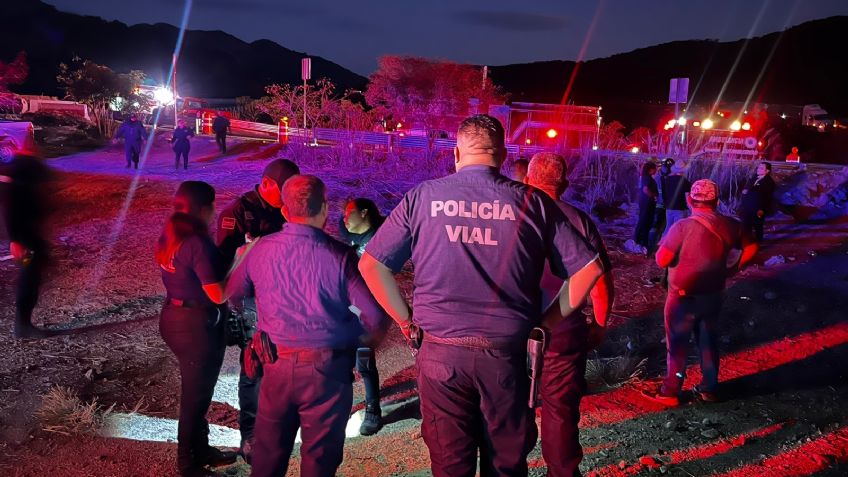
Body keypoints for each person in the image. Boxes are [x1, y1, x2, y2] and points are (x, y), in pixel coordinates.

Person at [359, 114, 603, 477]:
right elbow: (589, 270)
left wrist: (405, 320)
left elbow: (372, 266)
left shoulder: (423, 197)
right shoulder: (532, 202)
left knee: (449, 464)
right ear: (503, 156)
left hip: (440, 356)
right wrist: (546, 323)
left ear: (456, 153)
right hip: (505, 358)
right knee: (505, 463)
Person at [224, 174, 389, 477]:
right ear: (325, 209)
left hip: (276, 368)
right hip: (327, 372)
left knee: (268, 459)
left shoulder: (260, 248)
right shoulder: (340, 256)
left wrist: (265, 323)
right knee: (320, 463)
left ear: (284, 211)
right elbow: (376, 318)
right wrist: (353, 343)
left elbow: (233, 293)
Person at [525, 152, 615, 477]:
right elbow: (600, 284)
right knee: (560, 409)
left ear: (527, 179)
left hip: (510, 328)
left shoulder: (508, 215)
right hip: (562, 330)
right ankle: (562, 471)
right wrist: (600, 325)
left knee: (507, 401)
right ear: (564, 182)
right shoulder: (578, 221)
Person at [215, 158, 300, 461]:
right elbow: (224, 266)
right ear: (266, 184)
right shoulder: (237, 213)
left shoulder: (288, 210)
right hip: (252, 303)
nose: (289, 195)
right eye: (284, 189)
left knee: (284, 365)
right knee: (254, 368)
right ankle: (249, 436)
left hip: (285, 300)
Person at [645, 179, 757, 406]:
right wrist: (733, 268)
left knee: (677, 344)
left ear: (689, 200)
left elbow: (662, 259)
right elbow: (753, 246)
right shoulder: (731, 225)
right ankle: (709, 388)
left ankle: (671, 390)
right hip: (713, 295)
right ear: (716, 201)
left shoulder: (682, 227)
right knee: (708, 341)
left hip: (683, 296)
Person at [155, 181, 237, 477]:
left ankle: (201, 450)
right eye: (213, 206)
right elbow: (219, 294)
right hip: (195, 327)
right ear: (204, 208)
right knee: (196, 398)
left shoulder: (173, 234)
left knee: (197, 392)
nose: (215, 212)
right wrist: (244, 258)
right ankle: (188, 464)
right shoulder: (197, 243)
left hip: (175, 318)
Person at [339, 197, 386, 435]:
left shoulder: (381, 237)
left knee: (364, 358)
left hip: (368, 306)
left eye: (349, 213)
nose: (344, 218)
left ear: (365, 213)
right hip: (346, 304)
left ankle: (372, 408)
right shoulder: (346, 231)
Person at [1, 153, 53, 339]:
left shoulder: (22, 180)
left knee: (32, 276)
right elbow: (10, 213)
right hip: (24, 239)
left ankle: (24, 324)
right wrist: (15, 241)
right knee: (28, 279)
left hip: (30, 236)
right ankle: (23, 326)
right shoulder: (16, 185)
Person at [740, 162, 775, 242]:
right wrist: (745, 191)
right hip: (748, 207)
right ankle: (747, 243)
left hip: (758, 209)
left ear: (767, 171)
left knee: (758, 226)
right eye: (758, 168)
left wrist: (762, 209)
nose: (759, 169)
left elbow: (767, 198)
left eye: (762, 168)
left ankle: (758, 243)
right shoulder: (754, 178)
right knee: (746, 225)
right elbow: (747, 188)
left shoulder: (769, 183)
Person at [632, 161, 658, 254]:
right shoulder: (647, 178)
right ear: (651, 170)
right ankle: (641, 241)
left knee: (644, 220)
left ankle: (639, 240)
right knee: (645, 221)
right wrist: (653, 196)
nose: (656, 170)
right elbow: (645, 189)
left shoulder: (645, 177)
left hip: (645, 202)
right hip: (647, 202)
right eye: (655, 168)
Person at [660, 159, 692, 236]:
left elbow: (664, 193)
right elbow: (687, 196)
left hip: (669, 207)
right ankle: (673, 246)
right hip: (680, 209)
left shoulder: (667, 180)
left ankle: (662, 243)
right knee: (677, 229)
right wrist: (691, 209)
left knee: (668, 227)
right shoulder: (685, 182)